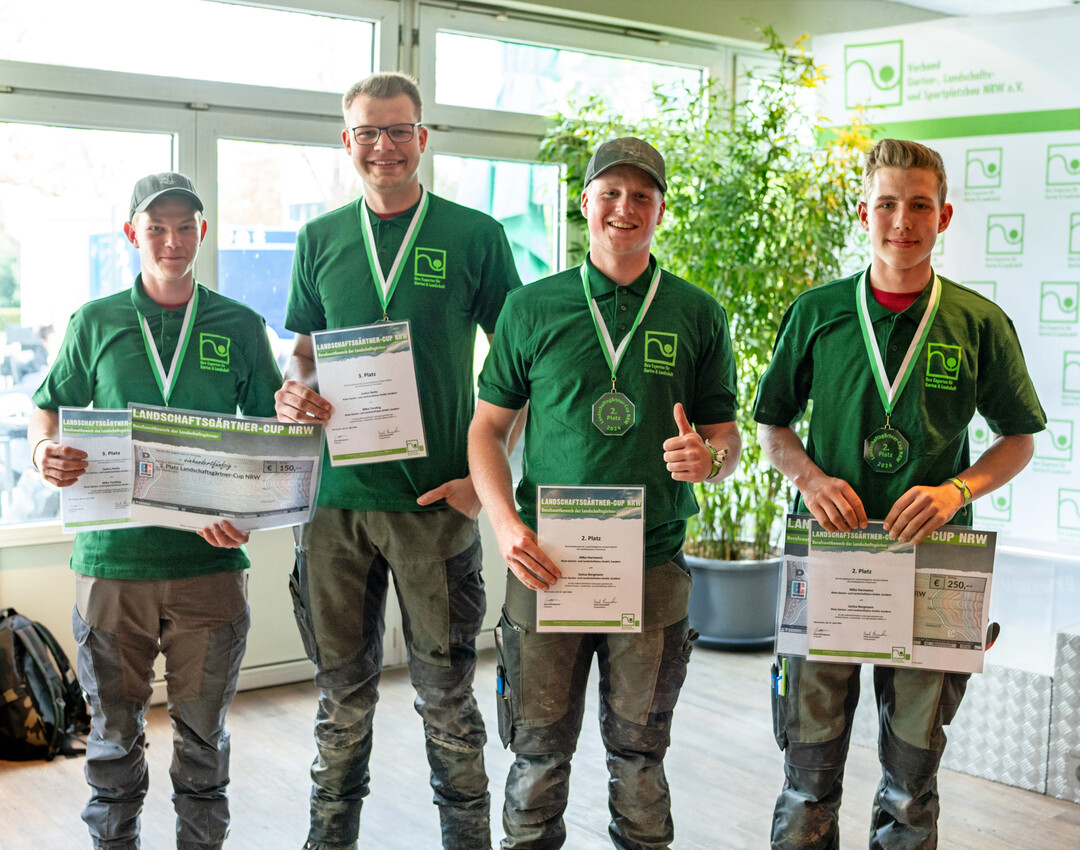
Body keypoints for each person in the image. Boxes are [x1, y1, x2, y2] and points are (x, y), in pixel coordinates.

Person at [753, 138, 1046, 850]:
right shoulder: (818, 312)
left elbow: (1018, 440)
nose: (902, 221)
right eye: (887, 204)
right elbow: (771, 427)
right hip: (830, 560)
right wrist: (811, 479)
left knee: (913, 780)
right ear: (864, 212)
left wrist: (956, 489)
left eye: (919, 206)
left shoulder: (977, 324)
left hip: (935, 562)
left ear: (944, 216)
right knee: (808, 772)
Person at [273, 71, 523, 850]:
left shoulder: (475, 235)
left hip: (433, 504)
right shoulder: (319, 239)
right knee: (340, 700)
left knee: (447, 700)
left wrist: (485, 482)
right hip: (335, 505)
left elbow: (517, 367)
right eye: (368, 132)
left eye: (398, 130)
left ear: (423, 137)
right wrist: (294, 393)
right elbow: (306, 355)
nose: (384, 145)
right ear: (347, 141)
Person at [469, 137, 741, 850]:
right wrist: (503, 526)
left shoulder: (698, 314)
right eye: (610, 193)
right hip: (545, 564)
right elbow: (486, 432)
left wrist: (708, 459)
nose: (625, 208)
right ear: (585, 203)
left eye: (642, 196)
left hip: (652, 569)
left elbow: (727, 440)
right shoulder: (531, 309)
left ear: (659, 210)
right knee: (535, 759)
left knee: (640, 763)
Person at [29, 171, 283, 850]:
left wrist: (249, 511)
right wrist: (42, 452)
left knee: (204, 745)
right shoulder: (96, 321)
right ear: (131, 234)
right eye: (156, 227)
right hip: (112, 566)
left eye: (184, 226)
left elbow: (269, 444)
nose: (171, 240)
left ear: (202, 231)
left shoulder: (239, 325)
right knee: (113, 743)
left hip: (210, 567)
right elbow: (47, 410)